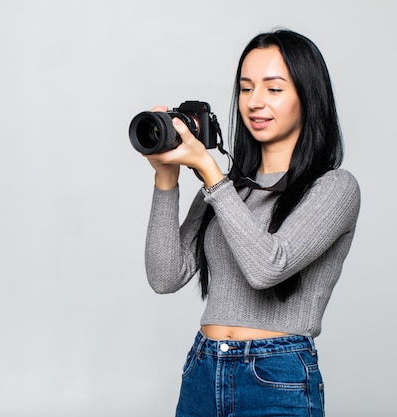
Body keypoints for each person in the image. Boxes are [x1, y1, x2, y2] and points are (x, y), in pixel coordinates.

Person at [141, 28, 360, 417]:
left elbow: (267, 267)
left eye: (273, 89)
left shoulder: (334, 187)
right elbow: (164, 277)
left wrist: (210, 171)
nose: (255, 102)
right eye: (245, 88)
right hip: (202, 369)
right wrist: (166, 178)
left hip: (276, 376)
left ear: (308, 98)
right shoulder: (227, 191)